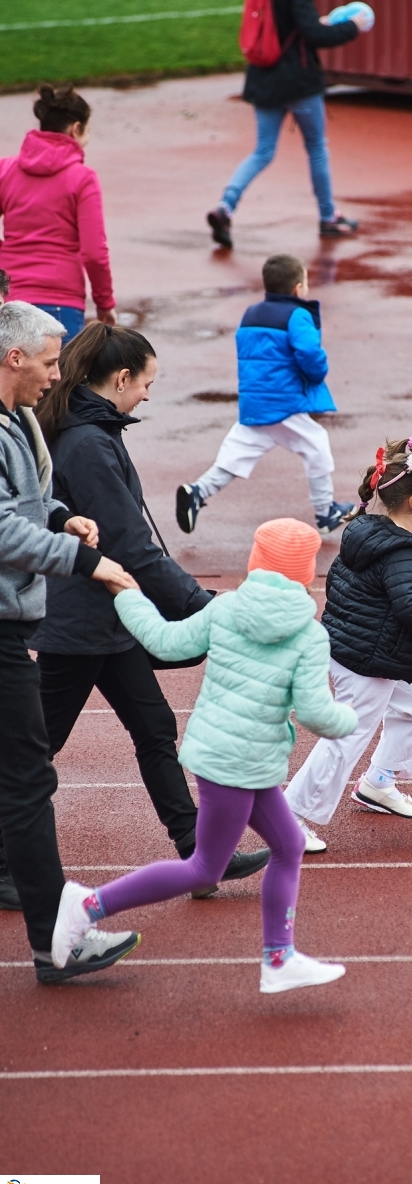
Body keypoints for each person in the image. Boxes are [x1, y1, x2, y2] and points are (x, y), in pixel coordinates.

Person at [51, 518, 359, 995]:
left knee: (289, 846)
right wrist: (351, 721)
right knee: (205, 869)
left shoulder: (227, 608)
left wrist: (125, 591)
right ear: (307, 573)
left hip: (228, 758)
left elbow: (165, 642)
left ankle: (279, 958)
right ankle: (88, 906)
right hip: (241, 766)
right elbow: (318, 713)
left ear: (256, 563)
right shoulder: (309, 635)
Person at [23, 323, 269, 896]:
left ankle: (200, 855)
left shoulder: (95, 432)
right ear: (122, 378)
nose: (149, 396)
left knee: (155, 727)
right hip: (81, 623)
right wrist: (203, 606)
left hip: (110, 615)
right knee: (34, 749)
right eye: (147, 383)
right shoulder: (87, 442)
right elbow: (131, 544)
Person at [0, 302, 140, 980]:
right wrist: (83, 557)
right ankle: (54, 940)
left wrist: (62, 515)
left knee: (23, 775)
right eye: (51, 362)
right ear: (14, 357)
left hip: (15, 621)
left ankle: (32, 904)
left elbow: (25, 503)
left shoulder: (20, 420)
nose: (59, 377)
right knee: (29, 778)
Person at [285, 439, 412, 853]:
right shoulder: (403, 551)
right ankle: (290, 816)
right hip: (370, 659)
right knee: (346, 737)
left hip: (369, 649)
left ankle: (378, 782)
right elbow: (410, 610)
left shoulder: (364, 528)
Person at [176, 253, 355, 537]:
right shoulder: (297, 315)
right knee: (317, 445)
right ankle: (325, 511)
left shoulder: (250, 314)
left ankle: (197, 492)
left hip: (255, 403)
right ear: (298, 288)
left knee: (235, 456)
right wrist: (317, 372)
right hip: (283, 402)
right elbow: (309, 352)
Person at [206, 0, 370, 249]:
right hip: (299, 83)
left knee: (262, 152)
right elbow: (314, 36)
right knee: (316, 148)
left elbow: (287, 28)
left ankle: (225, 207)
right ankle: (328, 218)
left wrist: (316, 24)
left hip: (263, 81)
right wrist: (352, 26)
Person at [0, 85, 116, 343]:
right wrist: (104, 303)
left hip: (8, 300)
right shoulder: (82, 178)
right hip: (60, 304)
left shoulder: (6, 170)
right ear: (76, 129)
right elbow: (95, 254)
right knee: (58, 381)